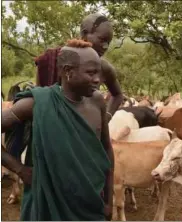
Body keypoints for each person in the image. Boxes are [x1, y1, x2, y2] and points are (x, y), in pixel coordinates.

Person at [1, 39, 114, 221]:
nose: (98, 80)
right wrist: (20, 170)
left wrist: (108, 199)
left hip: (90, 203)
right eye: (91, 73)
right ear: (68, 71)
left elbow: (107, 149)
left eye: (99, 73)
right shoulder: (37, 103)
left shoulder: (98, 102)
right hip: (47, 204)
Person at [35, 12, 123, 120]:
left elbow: (118, 95)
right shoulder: (53, 59)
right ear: (84, 34)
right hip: (51, 126)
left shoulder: (104, 68)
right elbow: (38, 96)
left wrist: (105, 118)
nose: (105, 47)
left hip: (87, 129)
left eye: (108, 42)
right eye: (102, 40)